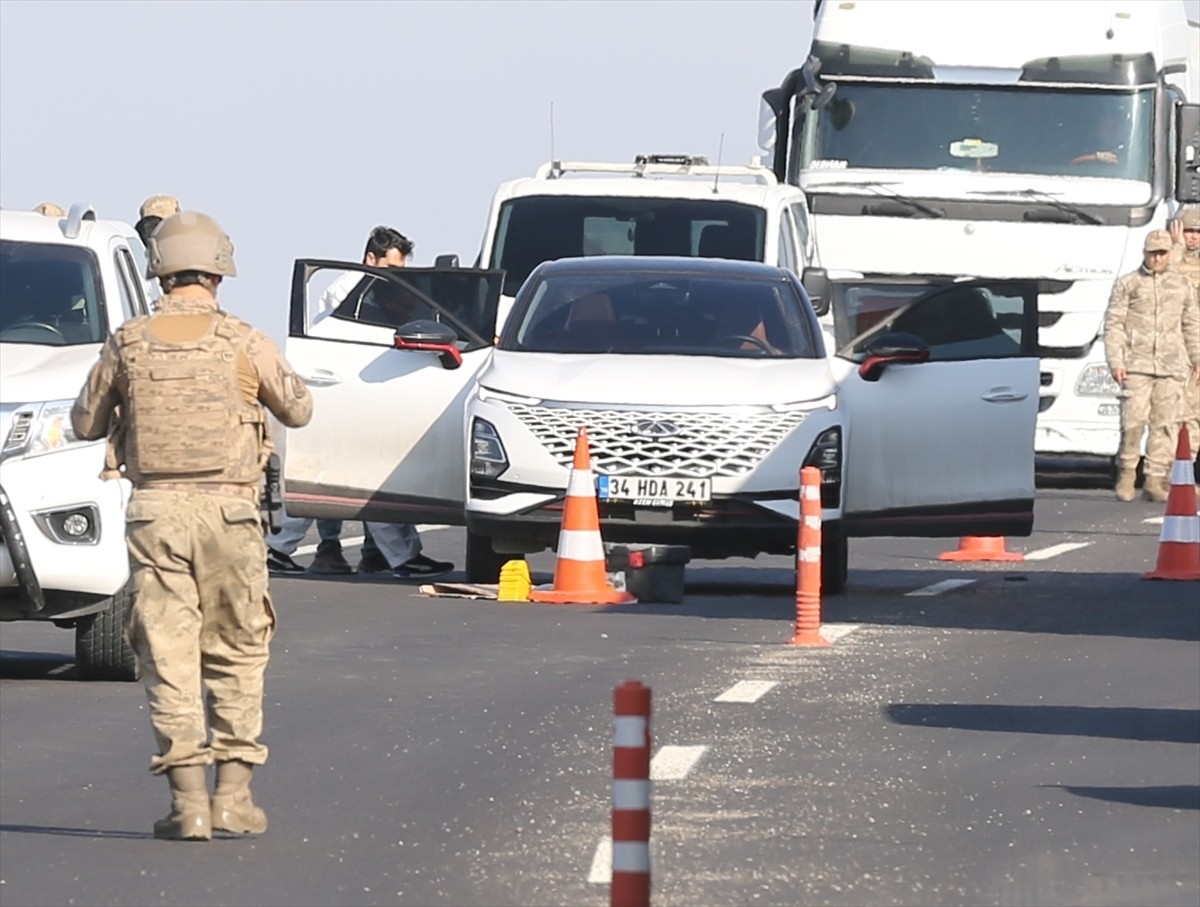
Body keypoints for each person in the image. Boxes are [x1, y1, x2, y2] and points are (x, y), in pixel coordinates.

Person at [71, 210, 313, 841]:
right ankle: (233, 797)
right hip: (230, 513)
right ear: (217, 272)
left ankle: (188, 806)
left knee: (168, 654)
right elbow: (299, 407)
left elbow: (86, 422)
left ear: (161, 271)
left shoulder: (127, 340)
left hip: (155, 513)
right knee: (237, 650)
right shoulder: (243, 339)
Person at [272, 225, 454, 581]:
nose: (397, 279)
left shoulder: (371, 293)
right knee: (340, 475)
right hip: (340, 396)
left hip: (352, 396)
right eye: (392, 268)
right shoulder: (350, 294)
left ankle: (397, 556)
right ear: (371, 260)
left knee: (361, 477)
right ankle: (279, 549)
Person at [1103, 228, 1200, 503]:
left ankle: (1155, 479)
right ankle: (1126, 473)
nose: (1157, 258)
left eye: (1162, 253)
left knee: (1165, 426)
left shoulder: (1182, 285)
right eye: (1152, 253)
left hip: (1172, 366)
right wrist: (1116, 360)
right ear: (1144, 253)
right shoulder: (1128, 284)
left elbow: (1191, 325)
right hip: (1136, 365)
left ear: (1170, 254)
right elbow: (1114, 325)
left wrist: (1196, 358)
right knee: (1133, 423)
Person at [1169, 207, 1200, 490]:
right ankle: (1181, 471)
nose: (1192, 238)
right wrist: (1176, 248)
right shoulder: (1168, 258)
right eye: (1188, 231)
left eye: (1197, 232)